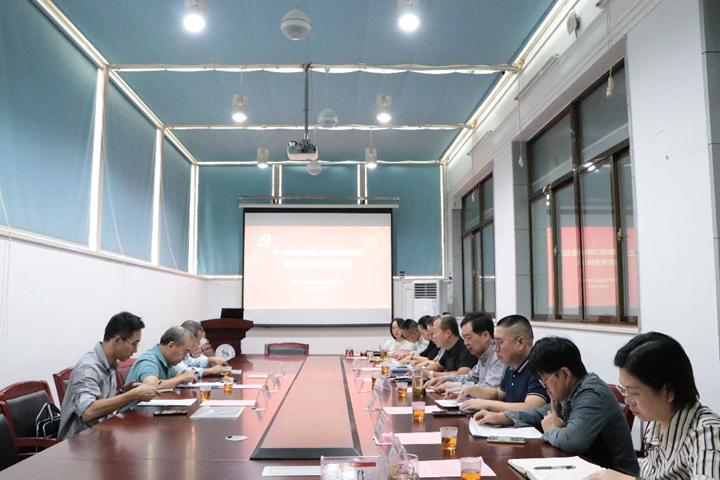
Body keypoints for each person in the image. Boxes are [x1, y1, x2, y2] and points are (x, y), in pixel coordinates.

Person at [475, 336, 639, 476]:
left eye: (545, 380)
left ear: (565, 373)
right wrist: (505, 417)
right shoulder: (570, 388)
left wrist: (551, 430)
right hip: (584, 468)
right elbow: (543, 412)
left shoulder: (592, 394)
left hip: (613, 474)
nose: (544, 386)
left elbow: (573, 441)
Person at [584, 332, 720, 480]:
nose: (628, 401)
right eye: (624, 390)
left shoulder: (707, 433)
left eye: (634, 393)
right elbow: (653, 470)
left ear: (669, 391)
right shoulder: (658, 420)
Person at [58, 312, 157, 439]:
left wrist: (122, 393)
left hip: (102, 434)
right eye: (134, 344)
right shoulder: (88, 368)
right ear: (117, 340)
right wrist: (132, 395)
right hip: (80, 442)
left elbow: (99, 401)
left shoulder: (109, 364)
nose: (135, 350)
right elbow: (87, 412)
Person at [449, 314, 549, 412]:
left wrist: (487, 404)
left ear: (521, 342)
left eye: (499, 343)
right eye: (495, 343)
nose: (495, 349)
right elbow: (498, 394)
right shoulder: (511, 366)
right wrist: (470, 390)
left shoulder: (539, 367)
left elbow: (531, 408)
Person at [425, 311, 504, 391]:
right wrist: (444, 378)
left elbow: (488, 388)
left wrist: (453, 385)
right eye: (464, 337)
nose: (465, 343)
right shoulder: (483, 356)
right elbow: (470, 377)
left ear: (485, 335)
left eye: (468, 337)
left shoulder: (499, 356)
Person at [125, 326, 198, 390]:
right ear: (171, 346)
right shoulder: (149, 360)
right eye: (185, 352)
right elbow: (151, 385)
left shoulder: (167, 360)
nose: (185, 357)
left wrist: (185, 377)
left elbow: (176, 377)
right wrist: (182, 378)